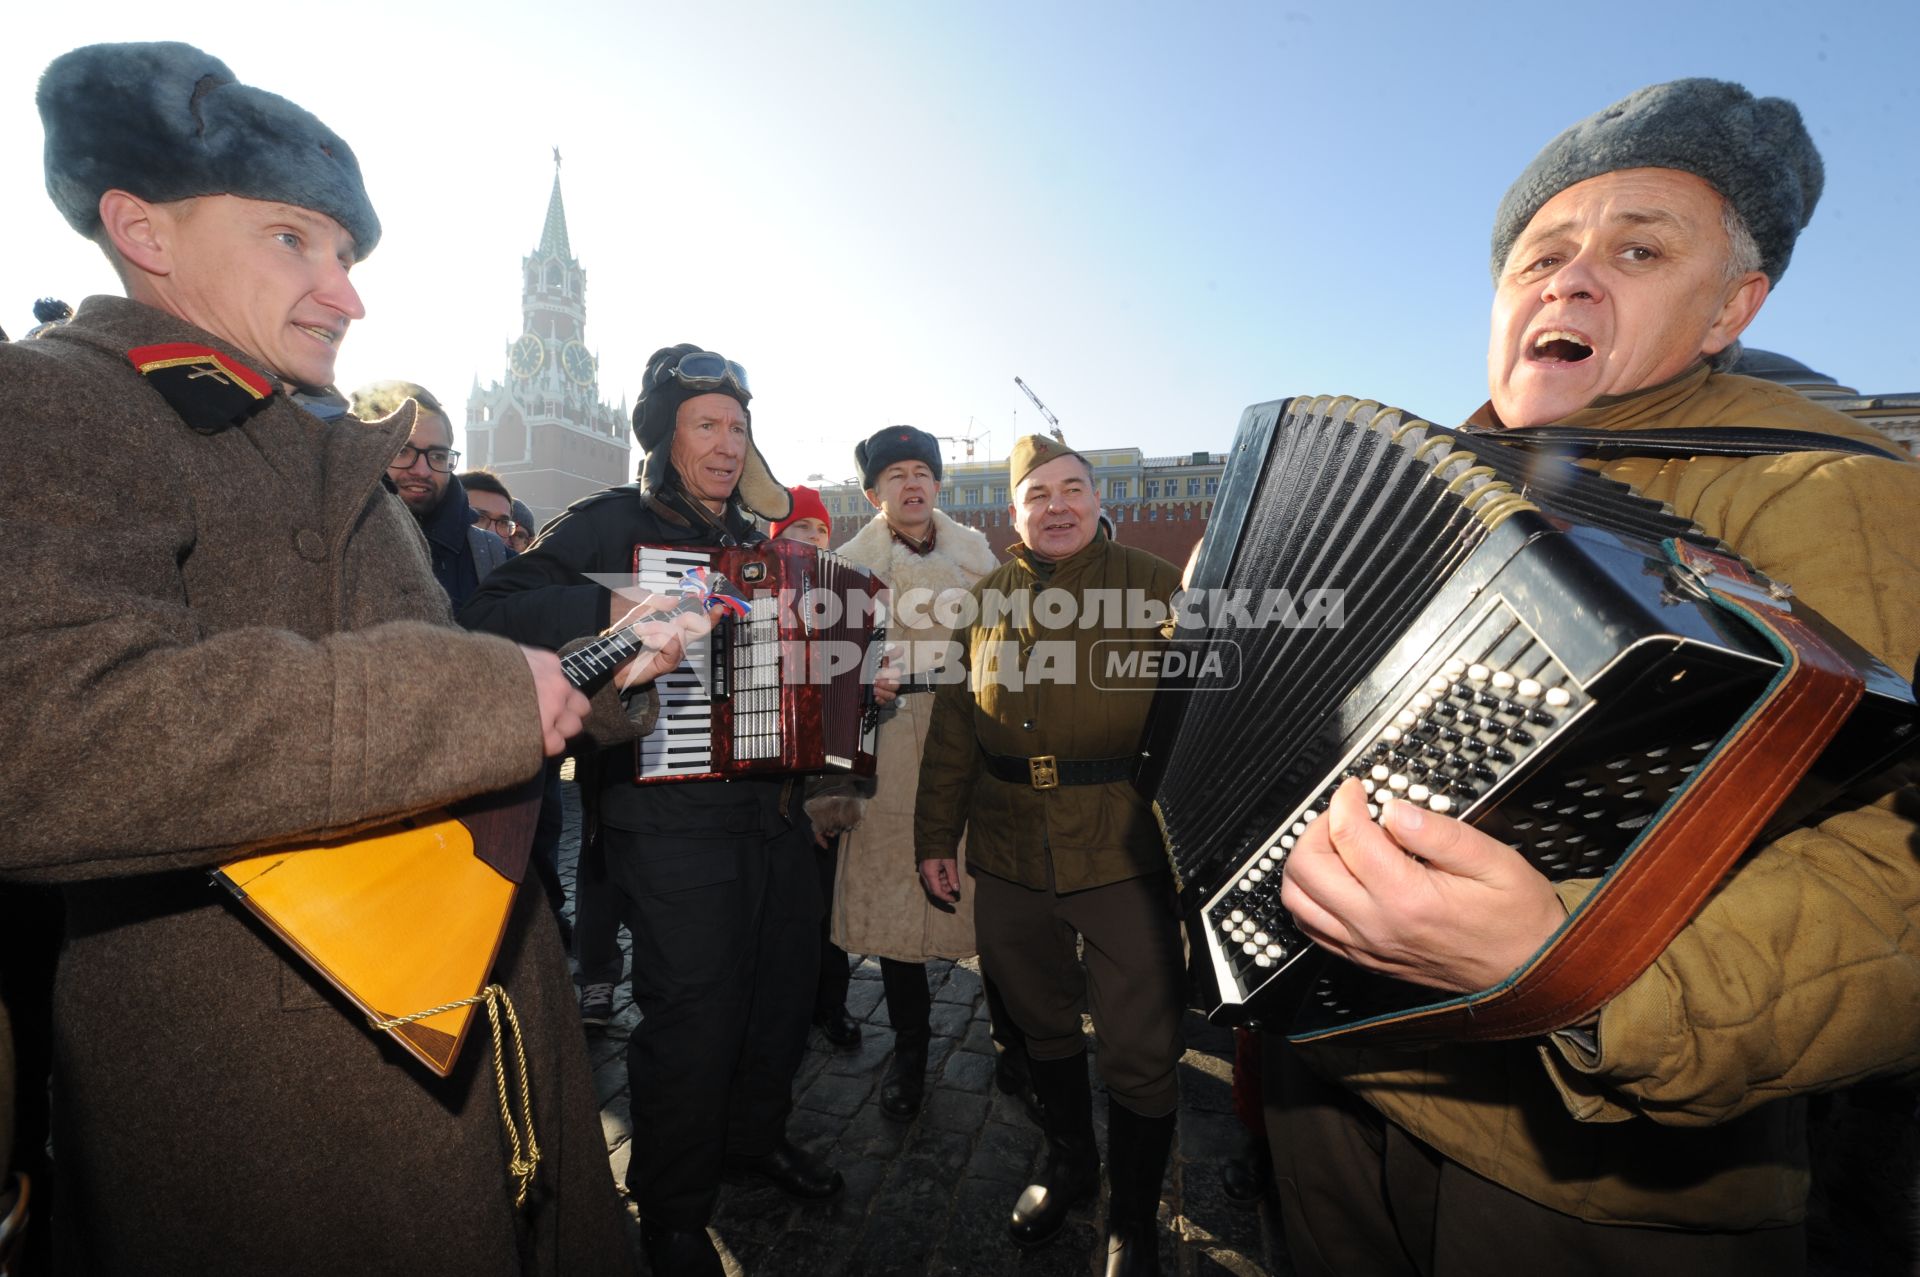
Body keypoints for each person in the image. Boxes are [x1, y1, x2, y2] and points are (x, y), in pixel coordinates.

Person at [0, 41, 702, 1276]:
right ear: (142, 229)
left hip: (479, 1015)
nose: (347, 294)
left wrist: (595, 679)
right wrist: (486, 696)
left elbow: (426, 674)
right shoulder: (57, 405)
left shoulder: (308, 436)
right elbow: (45, 728)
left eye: (348, 254)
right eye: (294, 242)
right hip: (280, 1097)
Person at [1269, 78, 1920, 1276]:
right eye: (1541, 254)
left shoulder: (1836, 493)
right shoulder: (1430, 484)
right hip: (1337, 1084)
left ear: (1733, 306)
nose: (1571, 278)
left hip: (1583, 1186)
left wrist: (1575, 966)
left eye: (1637, 248)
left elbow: (1894, 879)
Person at [463, 345, 875, 1277]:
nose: (728, 444)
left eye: (738, 427)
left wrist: (858, 687)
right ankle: (675, 1207)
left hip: (774, 809)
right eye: (707, 425)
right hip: (664, 811)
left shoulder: (771, 549)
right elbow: (488, 611)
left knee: (780, 993)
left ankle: (755, 1137)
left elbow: (792, 679)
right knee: (694, 1009)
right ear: (664, 434)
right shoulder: (612, 523)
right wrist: (622, 600)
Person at [916, 434, 1186, 1277]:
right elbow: (954, 734)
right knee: (1038, 1019)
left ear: (1100, 501)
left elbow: (1203, 714)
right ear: (1014, 514)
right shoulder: (985, 599)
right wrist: (934, 837)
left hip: (1122, 848)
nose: (1058, 505)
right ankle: (1072, 1159)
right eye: (1039, 494)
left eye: (1074, 489)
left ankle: (1134, 1219)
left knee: (1141, 1044)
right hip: (1008, 849)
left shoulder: (1154, 586)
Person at [806, 430, 1040, 1121]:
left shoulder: (979, 558)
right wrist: (856, 685)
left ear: (937, 486)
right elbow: (819, 677)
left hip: (974, 746)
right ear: (874, 494)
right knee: (897, 907)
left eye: (922, 474)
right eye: (895, 476)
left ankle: (1014, 1045)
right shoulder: (846, 568)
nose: (912, 485)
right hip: (891, 756)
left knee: (991, 900)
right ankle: (910, 1050)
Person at [767, 486, 863, 1049]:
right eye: (801, 531)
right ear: (778, 539)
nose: (813, 541)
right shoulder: (756, 592)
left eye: (821, 532)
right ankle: (784, 1011)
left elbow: (850, 711)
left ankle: (830, 1005)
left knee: (825, 914)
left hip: (820, 784)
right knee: (780, 919)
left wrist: (827, 801)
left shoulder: (845, 598)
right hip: (766, 789)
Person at [351, 379, 509, 608]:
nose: (422, 470)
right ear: (358, 449)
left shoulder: (487, 557)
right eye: (402, 450)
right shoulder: (327, 541)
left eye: (437, 456)